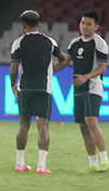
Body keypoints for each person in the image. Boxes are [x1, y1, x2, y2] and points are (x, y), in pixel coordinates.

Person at [9, 9, 66, 174]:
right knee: (43, 127)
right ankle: (41, 165)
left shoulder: (18, 42)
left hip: (25, 88)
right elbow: (63, 59)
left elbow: (13, 69)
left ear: (23, 26)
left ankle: (20, 163)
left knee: (24, 124)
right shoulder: (49, 42)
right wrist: (52, 70)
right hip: (43, 88)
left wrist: (13, 85)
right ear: (39, 24)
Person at [55, 10, 109, 171]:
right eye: (82, 23)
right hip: (78, 87)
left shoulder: (99, 43)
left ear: (96, 26)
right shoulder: (75, 42)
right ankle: (93, 163)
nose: (84, 26)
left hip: (93, 86)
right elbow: (65, 62)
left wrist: (87, 76)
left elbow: (103, 67)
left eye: (88, 24)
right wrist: (49, 70)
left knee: (91, 121)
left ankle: (104, 159)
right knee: (82, 126)